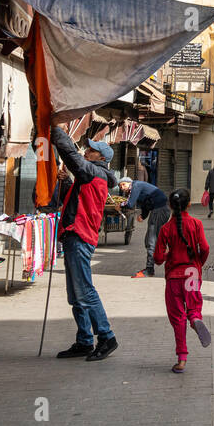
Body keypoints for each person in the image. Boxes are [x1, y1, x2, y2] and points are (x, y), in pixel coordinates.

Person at [50, 127, 121, 361]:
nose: (87, 152)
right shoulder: (88, 177)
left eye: (91, 150)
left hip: (80, 236)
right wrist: (68, 182)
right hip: (74, 236)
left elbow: (72, 157)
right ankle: (84, 340)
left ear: (101, 158)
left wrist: (56, 132)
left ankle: (106, 336)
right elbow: (80, 200)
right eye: (88, 148)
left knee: (85, 291)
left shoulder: (95, 173)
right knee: (75, 293)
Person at [153, 187, 212, 373]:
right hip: (192, 274)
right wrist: (198, 265)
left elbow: (158, 258)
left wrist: (168, 255)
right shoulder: (196, 223)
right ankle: (195, 320)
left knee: (177, 318)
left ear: (170, 205)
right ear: (188, 204)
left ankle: (182, 358)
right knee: (193, 309)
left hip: (174, 278)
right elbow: (205, 247)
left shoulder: (166, 229)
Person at [121, 177, 171, 279]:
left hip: (159, 211)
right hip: (159, 210)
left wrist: (120, 205)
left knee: (151, 241)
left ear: (129, 183)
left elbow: (130, 204)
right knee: (150, 240)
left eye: (123, 185)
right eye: (120, 186)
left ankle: (149, 270)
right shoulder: (138, 186)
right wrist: (143, 215)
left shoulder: (136, 186)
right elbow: (147, 202)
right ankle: (155, 262)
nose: (122, 188)